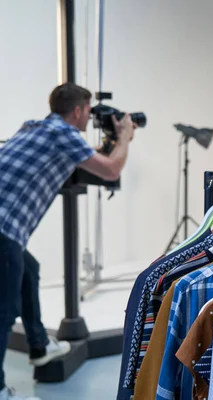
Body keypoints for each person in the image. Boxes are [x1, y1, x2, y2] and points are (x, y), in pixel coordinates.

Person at [0, 82, 136, 400]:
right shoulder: (66, 134)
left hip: (6, 233)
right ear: (78, 111)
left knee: (29, 269)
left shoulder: (32, 127)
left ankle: (38, 345)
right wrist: (125, 136)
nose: (89, 119)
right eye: (88, 112)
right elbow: (111, 169)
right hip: (4, 232)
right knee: (4, 311)